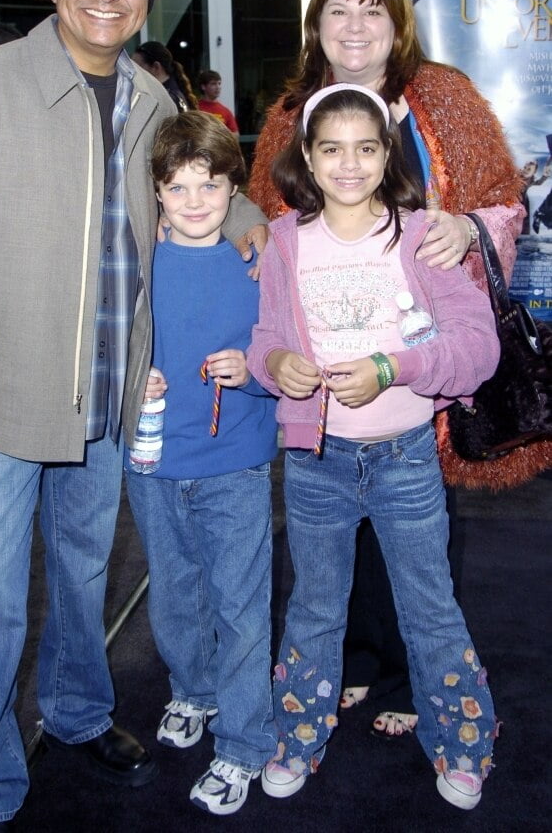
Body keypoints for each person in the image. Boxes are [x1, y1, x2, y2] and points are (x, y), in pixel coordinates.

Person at [0, 0, 267, 831]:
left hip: (107, 399)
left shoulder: (152, 99)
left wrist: (249, 222)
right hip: (1, 404)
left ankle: (76, 716)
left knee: (81, 578)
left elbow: (197, 186)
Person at [247, 0, 542, 742]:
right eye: (338, 10)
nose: (354, 26)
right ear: (317, 26)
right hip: (327, 383)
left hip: (424, 367)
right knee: (332, 537)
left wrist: (467, 227)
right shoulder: (289, 113)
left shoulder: (443, 97)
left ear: (396, 24)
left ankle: (415, 677)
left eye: (371, 10)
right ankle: (354, 658)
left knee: (418, 535)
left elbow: (505, 200)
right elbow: (262, 229)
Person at [247, 83, 500, 810]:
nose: (349, 164)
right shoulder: (287, 240)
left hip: (406, 458)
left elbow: (476, 346)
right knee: (315, 609)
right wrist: (277, 367)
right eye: (332, 149)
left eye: (365, 148)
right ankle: (297, 738)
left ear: (387, 152)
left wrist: (395, 368)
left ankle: (462, 746)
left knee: (429, 607)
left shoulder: (422, 236)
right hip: (315, 462)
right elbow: (266, 340)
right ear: (308, 157)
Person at [124, 111, 278, 815]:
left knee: (242, 607)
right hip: (154, 464)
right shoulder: (137, 263)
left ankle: (245, 743)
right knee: (175, 594)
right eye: (178, 187)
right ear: (155, 192)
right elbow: (109, 344)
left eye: (208, 186)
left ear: (232, 190)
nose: (193, 201)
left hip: (235, 465)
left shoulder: (257, 263)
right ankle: (195, 690)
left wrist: (249, 370)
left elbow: (284, 358)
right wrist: (136, 381)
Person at [132, 39, 198, 112]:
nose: (133, 71)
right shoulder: (169, 94)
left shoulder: (168, 99)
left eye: (138, 67)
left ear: (156, 67)